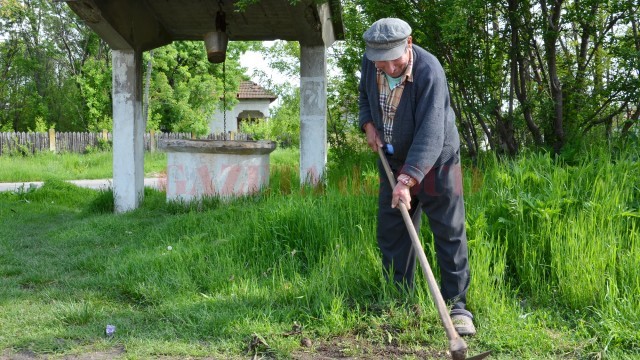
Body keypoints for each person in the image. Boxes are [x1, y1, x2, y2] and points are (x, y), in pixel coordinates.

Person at [358, 18, 475, 336]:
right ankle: (398, 300)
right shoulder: (372, 63)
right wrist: (368, 124)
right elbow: (365, 97)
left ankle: (458, 307)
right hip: (392, 160)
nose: (387, 67)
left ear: (408, 44)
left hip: (439, 164)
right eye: (380, 61)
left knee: (449, 232)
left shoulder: (429, 71)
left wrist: (407, 180)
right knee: (393, 232)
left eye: (393, 59)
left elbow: (431, 132)